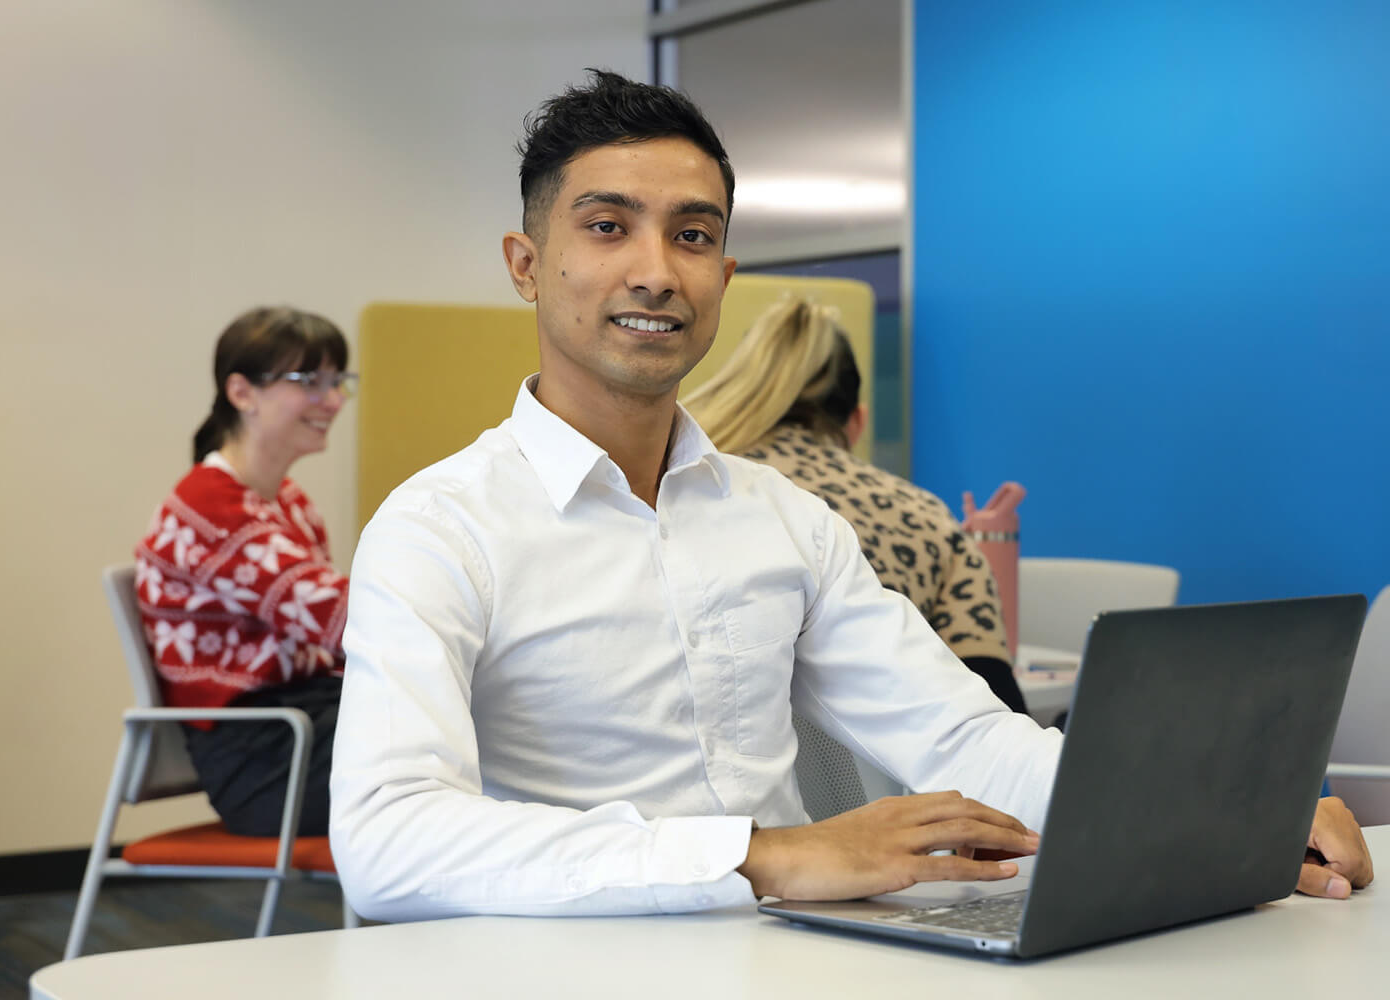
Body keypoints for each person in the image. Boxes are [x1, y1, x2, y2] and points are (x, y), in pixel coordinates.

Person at [328, 70, 1371, 920]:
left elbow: (960, 737)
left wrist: (1225, 814)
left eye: (691, 235)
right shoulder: (437, 528)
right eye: (607, 227)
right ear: (525, 264)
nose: (655, 271)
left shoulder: (780, 519)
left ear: (723, 274)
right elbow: (385, 840)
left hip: (796, 959)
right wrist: (763, 856)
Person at [683, 298, 1030, 714]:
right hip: (890, 773)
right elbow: (993, 700)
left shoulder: (686, 487)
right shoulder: (925, 517)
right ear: (858, 422)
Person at [135, 306, 358, 837]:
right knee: (474, 749)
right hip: (267, 759)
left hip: (305, 727)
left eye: (338, 382)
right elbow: (346, 624)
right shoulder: (210, 506)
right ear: (242, 393)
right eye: (310, 381)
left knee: (475, 736)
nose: (332, 401)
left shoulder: (286, 499)